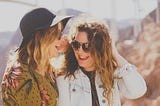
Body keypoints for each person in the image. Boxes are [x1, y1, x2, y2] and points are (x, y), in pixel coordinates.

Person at [56, 20, 147, 106]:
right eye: (76, 45)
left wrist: (115, 55)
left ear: (99, 48)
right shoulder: (65, 77)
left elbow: (138, 91)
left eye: (86, 46)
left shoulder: (111, 73)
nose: (79, 51)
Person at [1, 8, 71, 106]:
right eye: (58, 34)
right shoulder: (20, 74)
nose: (62, 39)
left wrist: (70, 49)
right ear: (43, 38)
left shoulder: (45, 68)